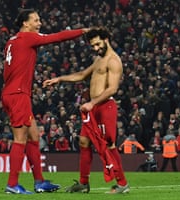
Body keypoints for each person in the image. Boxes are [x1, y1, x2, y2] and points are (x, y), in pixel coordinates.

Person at [1, 9, 90, 194]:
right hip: (18, 94)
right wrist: (82, 31)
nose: (39, 23)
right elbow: (57, 37)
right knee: (20, 140)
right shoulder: (28, 37)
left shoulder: (11, 41)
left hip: (12, 93)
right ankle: (12, 184)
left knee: (34, 136)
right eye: (36, 20)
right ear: (26, 23)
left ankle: (39, 181)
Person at [43, 27, 129, 194]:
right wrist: (59, 79)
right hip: (93, 107)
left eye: (97, 44)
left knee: (108, 145)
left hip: (105, 107)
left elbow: (112, 89)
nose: (96, 49)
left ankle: (122, 184)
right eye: (93, 46)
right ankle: (83, 183)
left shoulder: (113, 60)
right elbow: (82, 74)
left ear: (106, 39)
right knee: (83, 141)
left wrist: (92, 102)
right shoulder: (99, 59)